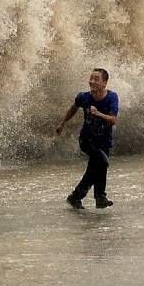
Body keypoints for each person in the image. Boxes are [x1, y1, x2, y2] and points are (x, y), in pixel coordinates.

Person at [54, 68, 119, 209]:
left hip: (104, 141)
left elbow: (113, 120)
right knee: (102, 162)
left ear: (105, 83)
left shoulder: (112, 97)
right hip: (87, 140)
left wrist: (98, 114)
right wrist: (62, 123)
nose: (92, 81)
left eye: (96, 79)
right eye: (91, 78)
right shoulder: (84, 97)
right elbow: (73, 108)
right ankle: (98, 197)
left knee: (96, 168)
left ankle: (80, 197)